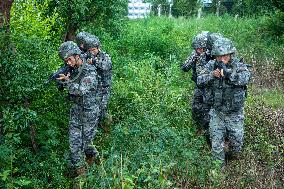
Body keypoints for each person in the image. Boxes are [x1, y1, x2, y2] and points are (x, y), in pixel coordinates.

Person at [197, 38, 251, 166]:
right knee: (216, 144)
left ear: (230, 54)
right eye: (218, 56)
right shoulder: (211, 65)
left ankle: (232, 162)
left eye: (224, 56)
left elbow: (246, 78)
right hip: (217, 112)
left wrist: (229, 75)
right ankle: (218, 173)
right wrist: (211, 75)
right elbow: (199, 80)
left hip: (234, 113)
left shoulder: (238, 65)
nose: (221, 59)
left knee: (236, 145)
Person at [57, 41, 100, 177]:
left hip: (89, 113)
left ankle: (95, 160)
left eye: (69, 59)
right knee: (75, 146)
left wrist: (67, 82)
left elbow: (81, 90)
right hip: (76, 112)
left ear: (77, 55)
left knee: (86, 145)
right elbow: (68, 87)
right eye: (66, 61)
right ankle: (81, 178)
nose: (68, 63)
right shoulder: (72, 69)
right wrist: (61, 82)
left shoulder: (90, 71)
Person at [181, 31, 223, 137]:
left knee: (210, 109)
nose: (198, 50)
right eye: (197, 48)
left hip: (212, 87)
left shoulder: (215, 55)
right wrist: (194, 58)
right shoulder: (196, 54)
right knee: (196, 108)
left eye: (200, 48)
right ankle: (199, 129)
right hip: (200, 85)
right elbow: (185, 67)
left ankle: (210, 132)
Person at [84, 36, 112, 128]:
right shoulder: (87, 56)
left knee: (102, 107)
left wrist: (94, 62)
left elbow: (106, 66)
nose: (92, 52)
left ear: (98, 48)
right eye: (90, 50)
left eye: (94, 49)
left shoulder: (105, 56)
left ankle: (103, 125)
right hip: (93, 88)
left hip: (104, 87)